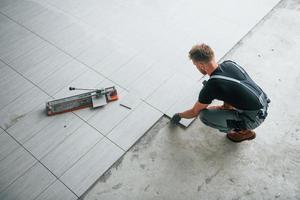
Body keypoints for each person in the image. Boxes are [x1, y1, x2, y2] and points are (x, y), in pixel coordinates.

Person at [171, 44, 270, 143]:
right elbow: (230, 88)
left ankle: (243, 131)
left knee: (204, 115)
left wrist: (179, 115)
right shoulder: (229, 64)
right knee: (227, 90)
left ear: (201, 65)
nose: (196, 67)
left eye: (195, 65)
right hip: (263, 101)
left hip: (253, 119)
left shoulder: (212, 86)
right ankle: (229, 109)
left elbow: (194, 112)